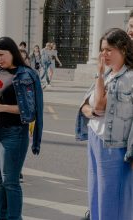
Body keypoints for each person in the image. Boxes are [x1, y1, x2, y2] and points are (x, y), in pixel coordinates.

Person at [0, 37, 43, 220]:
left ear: (12, 52)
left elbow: (30, 111)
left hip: (14, 132)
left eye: (1, 54)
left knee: (11, 182)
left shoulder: (25, 75)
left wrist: (2, 108)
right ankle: (2, 217)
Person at [75, 28, 133, 220]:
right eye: (102, 50)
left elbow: (98, 105)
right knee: (95, 194)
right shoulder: (108, 74)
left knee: (112, 199)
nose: (103, 55)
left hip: (114, 146)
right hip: (95, 138)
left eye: (109, 50)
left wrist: (99, 76)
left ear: (123, 49)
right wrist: (90, 111)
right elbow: (85, 106)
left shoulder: (128, 78)